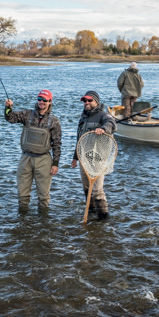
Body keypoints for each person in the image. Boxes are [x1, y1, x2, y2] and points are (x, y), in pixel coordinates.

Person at [3, 89, 62, 213]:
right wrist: (8, 108)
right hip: (26, 158)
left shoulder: (54, 121)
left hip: (44, 160)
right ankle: (23, 221)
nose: (41, 102)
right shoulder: (27, 114)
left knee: (43, 196)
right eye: (40, 99)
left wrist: (55, 164)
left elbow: (56, 144)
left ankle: (43, 224)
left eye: (44, 100)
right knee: (22, 195)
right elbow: (10, 118)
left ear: (50, 102)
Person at [70, 90, 116, 220]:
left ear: (96, 101)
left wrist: (103, 129)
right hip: (83, 159)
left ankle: (103, 217)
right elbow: (79, 140)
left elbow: (112, 124)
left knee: (97, 191)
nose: (87, 103)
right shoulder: (83, 117)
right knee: (86, 189)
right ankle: (90, 212)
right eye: (85, 100)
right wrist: (75, 158)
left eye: (90, 100)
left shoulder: (103, 115)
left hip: (98, 159)